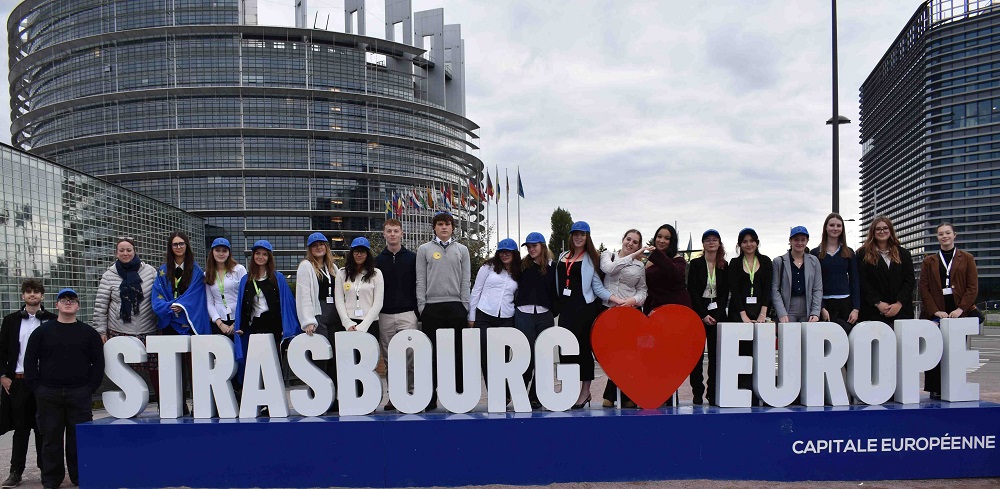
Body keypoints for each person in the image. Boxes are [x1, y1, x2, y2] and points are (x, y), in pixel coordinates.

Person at [23, 289, 103, 489]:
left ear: (78, 306)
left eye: (72, 300)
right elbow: (30, 361)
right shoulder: (42, 332)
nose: (68, 303)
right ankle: (51, 479)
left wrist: (90, 388)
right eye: (64, 300)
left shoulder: (89, 333)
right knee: (51, 439)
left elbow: (99, 364)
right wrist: (36, 387)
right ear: (56, 305)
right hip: (48, 393)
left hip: (79, 393)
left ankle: (79, 476)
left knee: (78, 439)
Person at [0, 279, 55, 488]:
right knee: (20, 429)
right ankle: (16, 472)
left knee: (44, 428)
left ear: (42, 296)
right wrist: (3, 376)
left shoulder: (51, 320)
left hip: (44, 382)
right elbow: (2, 350)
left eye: (36, 291)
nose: (32, 294)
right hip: (19, 381)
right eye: (28, 291)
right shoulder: (11, 320)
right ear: (23, 295)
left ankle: (46, 471)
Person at [415, 212, 471, 410]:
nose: (444, 227)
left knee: (457, 353)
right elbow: (420, 280)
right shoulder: (424, 250)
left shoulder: (462, 250)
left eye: (448, 224)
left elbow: (466, 280)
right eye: (440, 224)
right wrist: (422, 306)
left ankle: (459, 394)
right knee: (432, 354)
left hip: (456, 306)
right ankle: (430, 396)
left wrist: (465, 305)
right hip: (432, 307)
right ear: (434, 228)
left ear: (453, 228)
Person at [93, 237, 160, 401]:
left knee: (156, 370)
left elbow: (159, 297)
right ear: (116, 253)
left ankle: (163, 402)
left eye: (128, 249)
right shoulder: (109, 275)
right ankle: (128, 404)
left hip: (149, 329)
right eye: (121, 250)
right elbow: (101, 304)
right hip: (119, 330)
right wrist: (100, 330)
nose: (125, 253)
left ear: (135, 251)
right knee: (124, 371)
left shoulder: (150, 271)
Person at [919, 222, 979, 399]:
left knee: (956, 353)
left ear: (954, 235)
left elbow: (972, 287)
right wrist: (935, 311)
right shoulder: (929, 261)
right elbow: (924, 288)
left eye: (947, 233)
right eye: (940, 234)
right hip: (937, 313)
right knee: (935, 351)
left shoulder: (967, 258)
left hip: (959, 314)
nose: (944, 236)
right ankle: (935, 388)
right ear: (937, 237)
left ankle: (955, 386)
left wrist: (961, 308)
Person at [556, 221, 612, 409]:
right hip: (566, 310)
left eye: (582, 234)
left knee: (582, 351)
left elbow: (597, 287)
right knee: (566, 351)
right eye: (575, 234)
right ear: (571, 236)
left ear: (588, 237)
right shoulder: (563, 256)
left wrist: (616, 300)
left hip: (584, 310)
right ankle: (570, 391)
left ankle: (585, 392)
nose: (578, 237)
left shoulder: (590, 259)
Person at [233, 240, 300, 393]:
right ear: (253, 256)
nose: (261, 257)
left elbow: (287, 303)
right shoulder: (246, 279)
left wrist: (286, 328)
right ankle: (257, 397)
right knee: (255, 363)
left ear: (269, 257)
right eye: (258, 254)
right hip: (254, 327)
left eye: (264, 254)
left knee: (273, 363)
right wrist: (242, 327)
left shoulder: (277, 278)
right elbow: (242, 305)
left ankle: (273, 398)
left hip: (274, 327)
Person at [600, 229, 651, 408]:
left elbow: (643, 290)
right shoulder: (608, 255)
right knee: (612, 355)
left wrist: (633, 300)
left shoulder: (640, 267)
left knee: (628, 355)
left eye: (635, 242)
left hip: (630, 313)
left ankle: (620, 395)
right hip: (609, 312)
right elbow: (609, 269)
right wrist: (633, 256)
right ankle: (614, 394)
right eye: (628, 239)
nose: (630, 243)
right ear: (622, 239)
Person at [644, 223, 695, 406]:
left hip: (676, 313)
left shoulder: (678, 259)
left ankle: (671, 397)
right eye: (659, 236)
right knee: (656, 357)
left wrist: (656, 256)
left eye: (667, 238)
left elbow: (674, 275)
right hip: (657, 314)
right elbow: (649, 290)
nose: (662, 240)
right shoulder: (649, 261)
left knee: (672, 357)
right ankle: (659, 394)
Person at [375, 219, 419, 412]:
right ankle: (394, 396)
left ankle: (411, 392)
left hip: (408, 313)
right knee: (390, 358)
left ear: (402, 233)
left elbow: (419, 285)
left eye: (396, 231)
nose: (392, 234)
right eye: (389, 231)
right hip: (385, 315)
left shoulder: (412, 258)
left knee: (410, 356)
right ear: (384, 234)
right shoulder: (377, 261)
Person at [468, 238, 520, 395]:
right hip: (484, 315)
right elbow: (476, 290)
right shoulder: (488, 267)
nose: (504, 255)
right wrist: (472, 316)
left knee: (503, 357)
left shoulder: (518, 272)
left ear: (514, 253)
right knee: (486, 355)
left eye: (508, 252)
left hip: (506, 317)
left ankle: (504, 393)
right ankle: (494, 393)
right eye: (501, 252)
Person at [335, 237, 384, 403]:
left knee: (367, 365)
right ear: (351, 253)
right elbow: (339, 301)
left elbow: (378, 303)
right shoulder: (342, 273)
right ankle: (352, 399)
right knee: (350, 364)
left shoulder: (376, 274)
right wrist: (348, 323)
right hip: (349, 325)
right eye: (356, 251)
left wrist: (363, 326)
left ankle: (368, 400)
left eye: (362, 251)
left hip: (369, 324)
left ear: (367, 253)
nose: (359, 254)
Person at [727, 228, 772, 404]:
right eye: (745, 241)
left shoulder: (766, 262)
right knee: (742, 354)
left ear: (757, 242)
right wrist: (743, 315)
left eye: (752, 240)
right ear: (740, 245)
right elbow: (735, 290)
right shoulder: (735, 263)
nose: (749, 244)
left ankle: (757, 393)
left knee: (758, 354)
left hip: (759, 314)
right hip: (739, 313)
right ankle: (741, 391)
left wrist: (763, 313)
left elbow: (768, 289)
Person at [514, 232, 558, 409]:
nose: (532, 249)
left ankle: (536, 396)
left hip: (544, 315)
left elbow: (557, 290)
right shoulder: (522, 266)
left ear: (542, 246)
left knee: (542, 355)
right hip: (523, 313)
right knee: (525, 355)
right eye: (529, 246)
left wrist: (552, 311)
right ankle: (519, 393)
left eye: (535, 246)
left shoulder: (553, 267)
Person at [294, 232, 340, 397]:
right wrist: (308, 320)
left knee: (336, 356)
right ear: (310, 249)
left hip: (334, 314)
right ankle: (319, 395)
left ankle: (335, 397)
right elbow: (303, 294)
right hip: (318, 313)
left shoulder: (333, 267)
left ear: (326, 247)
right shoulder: (306, 266)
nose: (319, 247)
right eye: (315, 245)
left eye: (321, 244)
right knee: (321, 356)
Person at [686, 229, 728, 407]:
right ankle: (697, 391)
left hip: (717, 312)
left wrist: (716, 316)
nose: (711, 243)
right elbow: (692, 290)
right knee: (696, 355)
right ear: (703, 244)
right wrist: (703, 314)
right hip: (699, 311)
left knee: (715, 356)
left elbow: (725, 293)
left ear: (719, 243)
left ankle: (712, 392)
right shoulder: (696, 264)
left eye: (714, 240)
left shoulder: (723, 265)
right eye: (707, 240)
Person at [857, 216, 914, 323]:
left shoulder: (904, 254)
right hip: (873, 311)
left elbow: (909, 280)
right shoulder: (862, 254)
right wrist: (878, 303)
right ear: (873, 232)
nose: (882, 231)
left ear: (890, 231)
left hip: (901, 311)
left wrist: (899, 303)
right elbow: (863, 282)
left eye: (885, 228)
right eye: (878, 229)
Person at [151, 231, 210, 335]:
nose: (178, 247)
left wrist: (181, 305)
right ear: (170, 247)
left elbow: (197, 295)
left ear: (186, 245)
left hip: (188, 322)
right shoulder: (162, 271)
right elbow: (157, 294)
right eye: (175, 244)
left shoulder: (196, 271)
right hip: (169, 323)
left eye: (181, 243)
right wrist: (168, 307)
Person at [811, 213, 861, 329]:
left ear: (842, 229)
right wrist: (821, 307)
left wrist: (856, 309)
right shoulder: (815, 253)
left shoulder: (849, 252)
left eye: (839, 226)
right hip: (824, 304)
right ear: (826, 227)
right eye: (832, 225)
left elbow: (855, 282)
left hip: (845, 304)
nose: (835, 228)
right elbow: (813, 284)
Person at [771, 226, 823, 324]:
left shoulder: (814, 261)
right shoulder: (779, 261)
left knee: (807, 338)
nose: (799, 243)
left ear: (807, 241)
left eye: (803, 240)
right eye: (796, 240)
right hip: (788, 308)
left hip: (807, 308)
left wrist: (815, 313)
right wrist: (781, 313)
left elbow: (817, 288)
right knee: (789, 338)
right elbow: (775, 289)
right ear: (790, 241)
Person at [205, 237, 247, 336]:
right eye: (217, 250)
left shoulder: (239, 269)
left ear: (229, 253)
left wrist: (236, 323)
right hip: (219, 322)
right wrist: (220, 324)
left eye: (224, 251)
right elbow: (209, 302)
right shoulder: (207, 274)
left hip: (239, 320)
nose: (221, 254)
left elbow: (245, 298)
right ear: (212, 252)